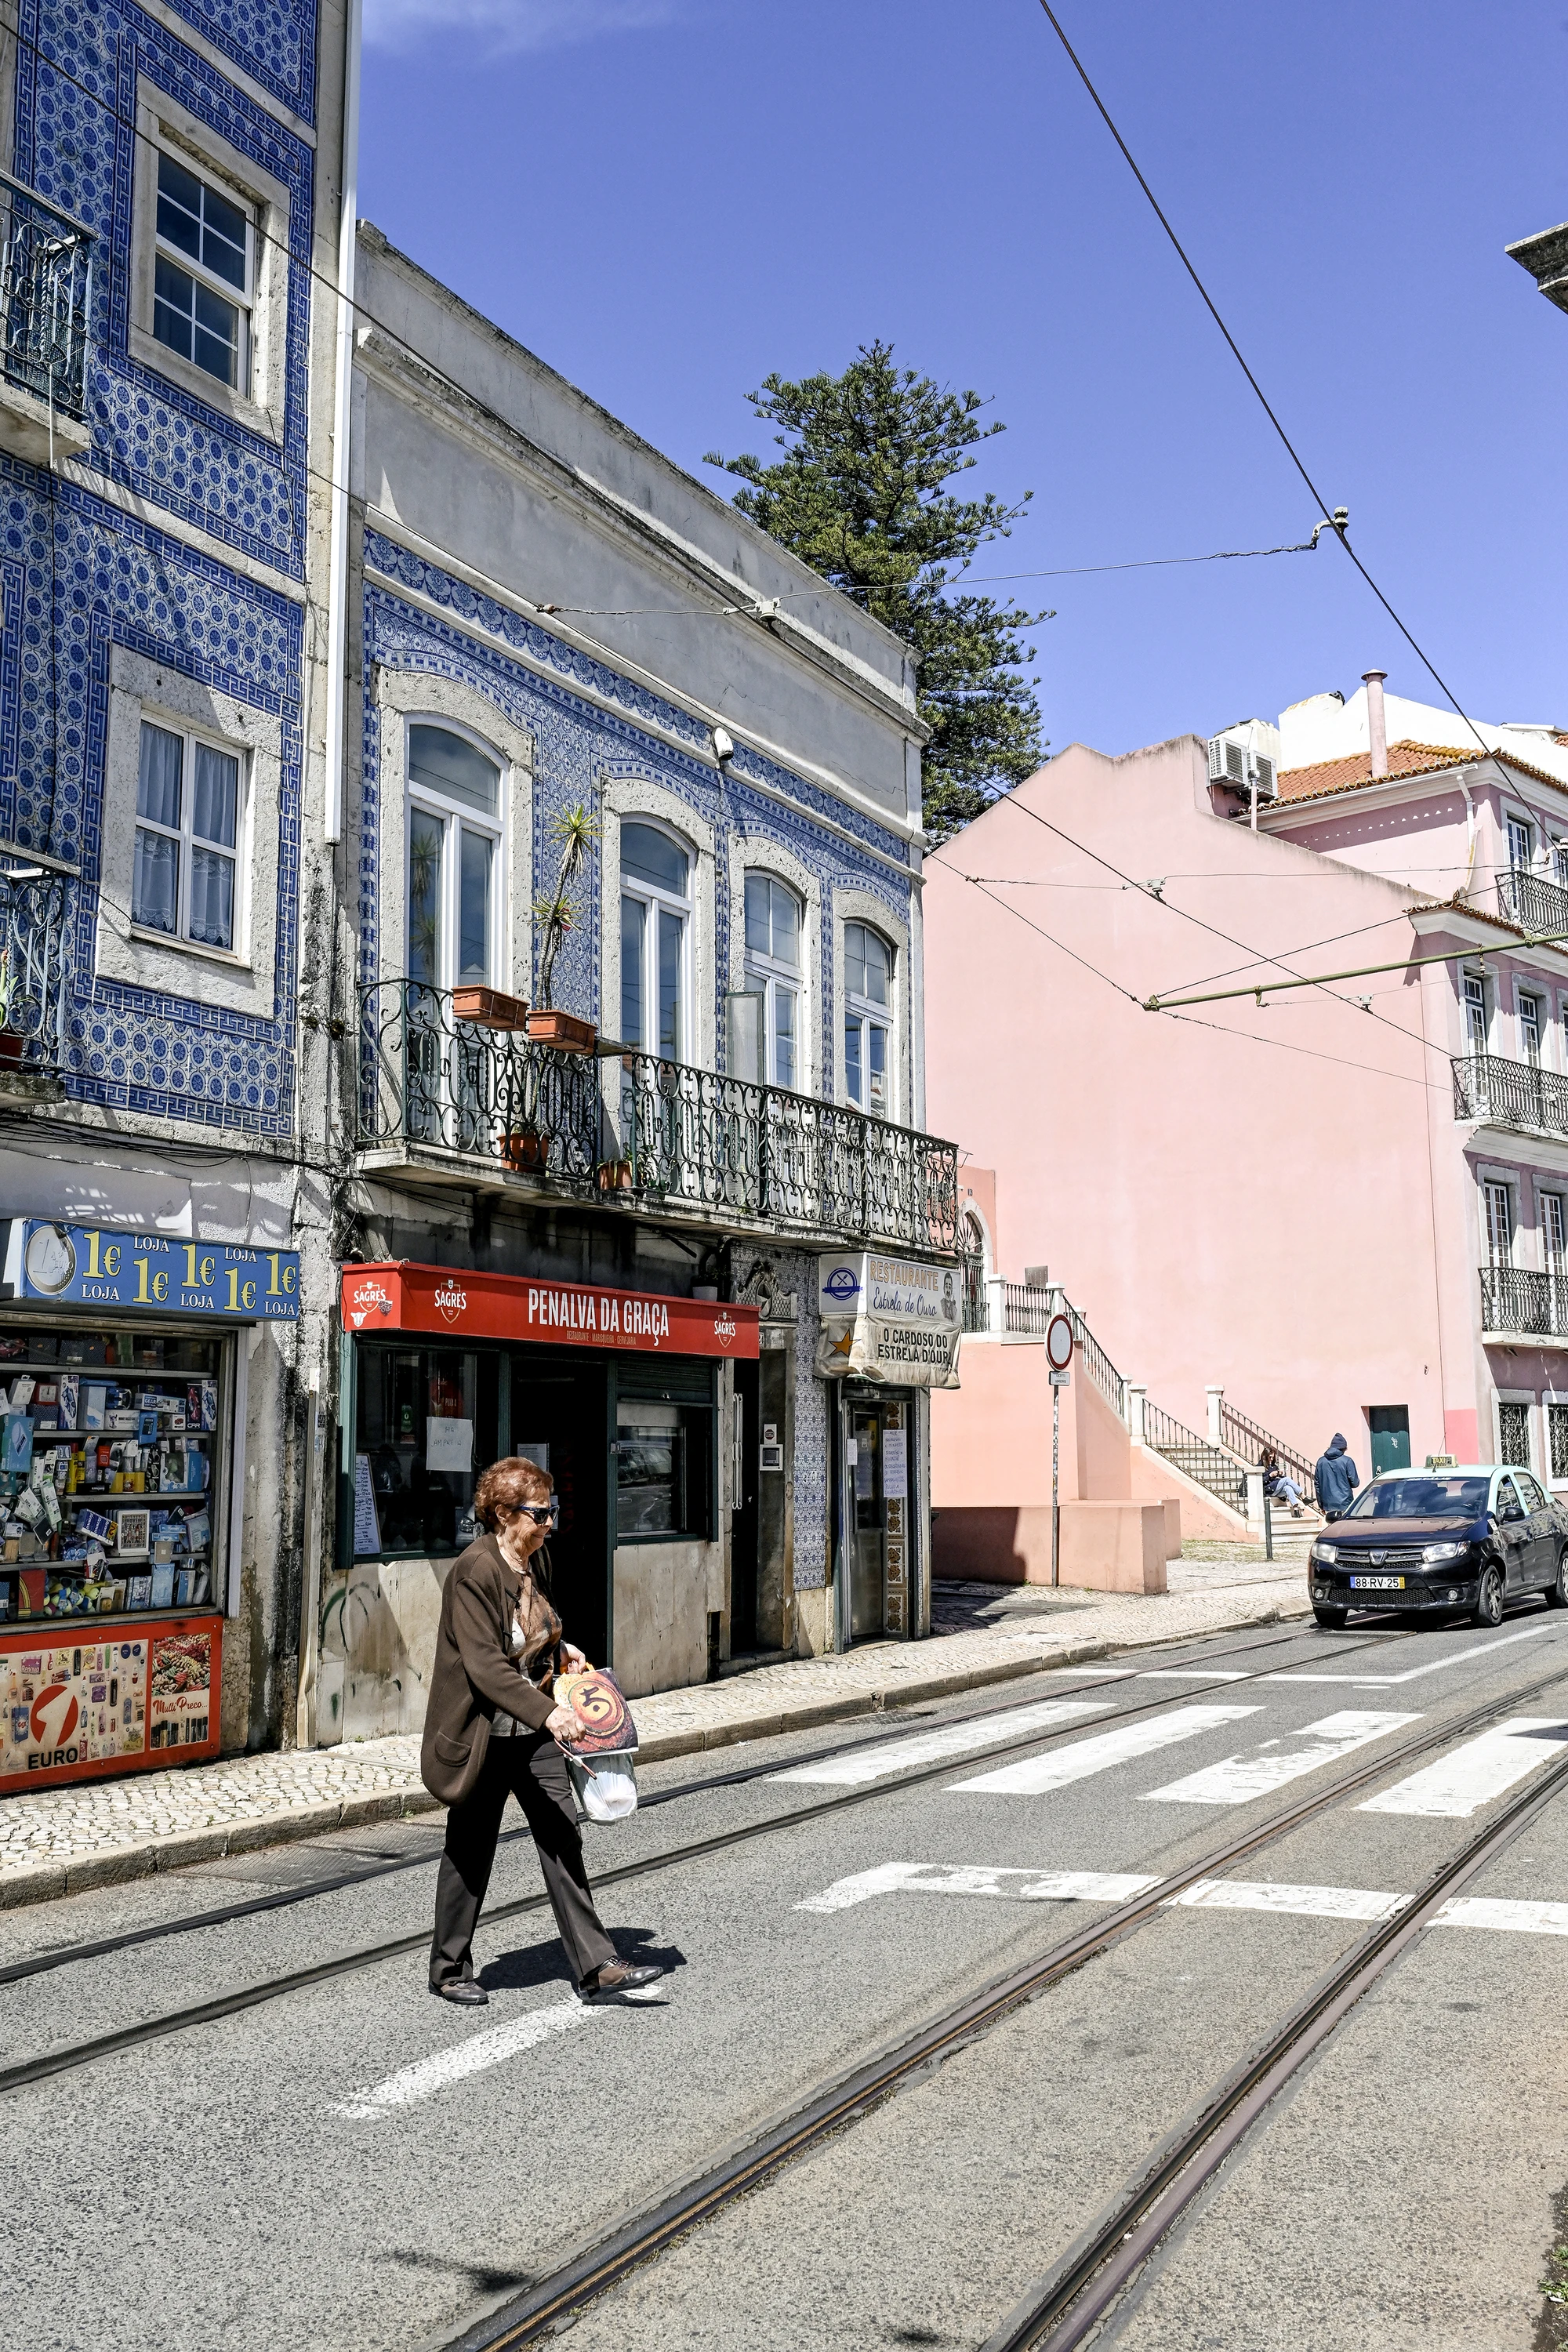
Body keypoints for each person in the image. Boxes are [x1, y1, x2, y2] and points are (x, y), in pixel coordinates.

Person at [422, 1454, 662, 2007]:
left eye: (552, 1511)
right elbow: (485, 1664)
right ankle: (449, 1967)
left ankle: (597, 1965)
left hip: (529, 1737)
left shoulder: (536, 1559)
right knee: (470, 1847)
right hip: (485, 1734)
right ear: (505, 1513)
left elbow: (536, 1627)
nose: (549, 1522)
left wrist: (561, 1650)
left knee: (561, 1835)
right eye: (540, 1513)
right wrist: (550, 1712)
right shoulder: (474, 1571)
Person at [1313, 1432, 1360, 1518]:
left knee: (1332, 1529)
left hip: (1328, 1505)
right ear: (1344, 1448)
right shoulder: (1347, 1461)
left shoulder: (1321, 1462)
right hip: (1345, 1504)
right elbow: (1355, 1483)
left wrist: (1321, 1505)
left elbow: (1317, 1485)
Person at [1259, 1446, 1305, 1517]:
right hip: (1268, 1490)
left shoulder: (1274, 1466)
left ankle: (1295, 1509)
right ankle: (1303, 1496)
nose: (1271, 1459)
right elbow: (1259, 1480)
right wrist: (1270, 1476)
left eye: (1273, 1458)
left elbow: (1278, 1478)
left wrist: (1279, 1474)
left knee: (1288, 1487)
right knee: (1287, 1479)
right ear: (1265, 1456)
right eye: (1270, 1457)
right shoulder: (1260, 1466)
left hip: (1276, 1489)